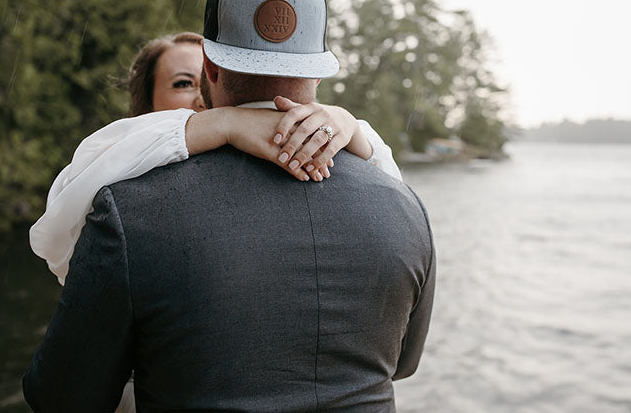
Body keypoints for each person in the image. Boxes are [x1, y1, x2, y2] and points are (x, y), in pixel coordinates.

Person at [23, 0, 435, 412]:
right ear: (318, 73)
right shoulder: (405, 207)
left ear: (210, 69)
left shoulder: (131, 211)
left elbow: (62, 397)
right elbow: (402, 362)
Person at [30, 32, 401, 286]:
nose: (199, 98)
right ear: (145, 106)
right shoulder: (120, 179)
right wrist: (222, 120)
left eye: (205, 81)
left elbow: (397, 205)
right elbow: (59, 238)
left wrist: (353, 129)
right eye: (182, 83)